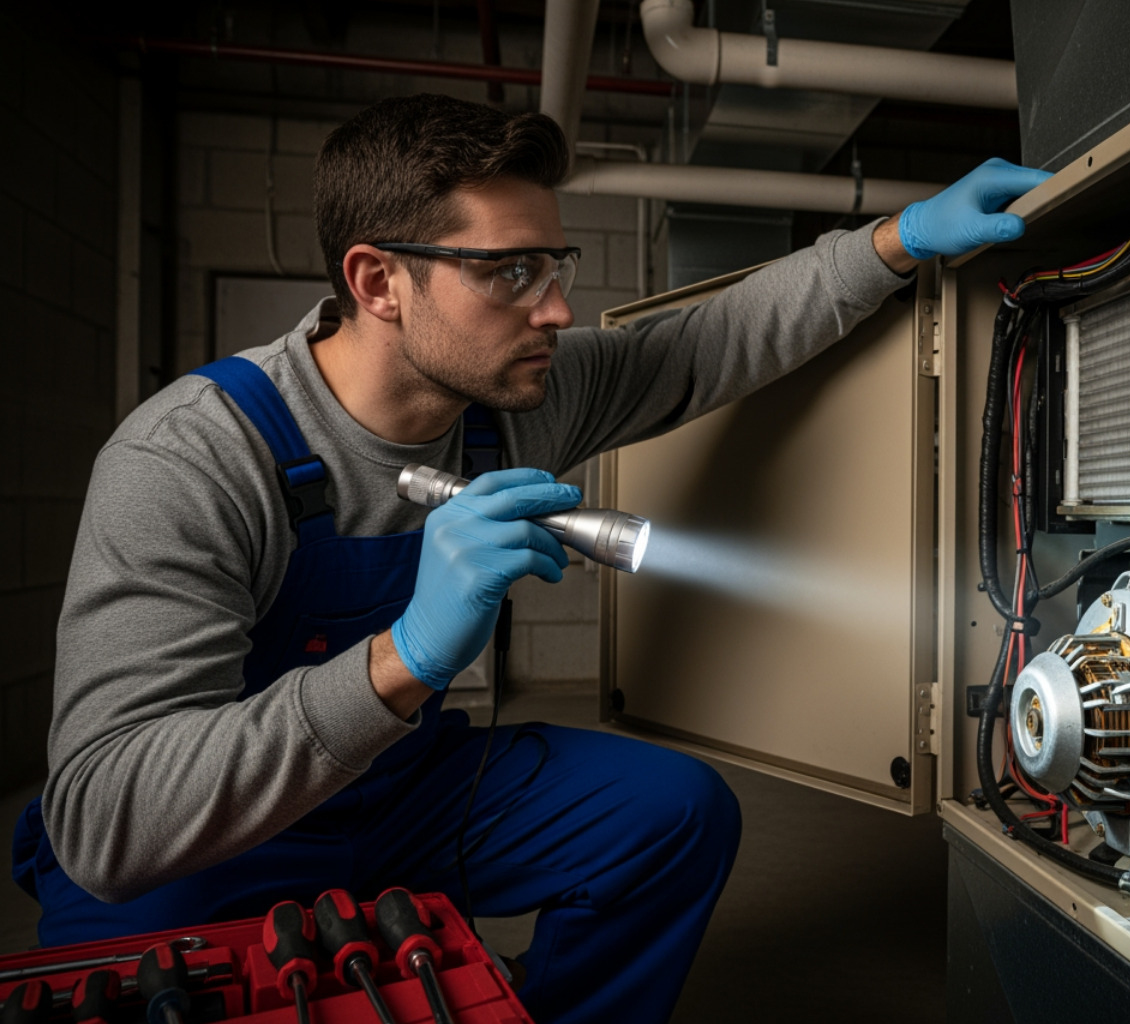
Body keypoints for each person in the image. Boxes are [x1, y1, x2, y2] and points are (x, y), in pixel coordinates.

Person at [11, 93, 1047, 1024]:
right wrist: (403, 658)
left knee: (672, 816)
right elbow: (107, 821)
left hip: (400, 786)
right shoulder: (189, 459)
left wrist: (894, 241)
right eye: (509, 271)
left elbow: (704, 343)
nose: (554, 308)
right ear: (378, 280)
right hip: (213, 837)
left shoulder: (520, 399)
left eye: (556, 266)